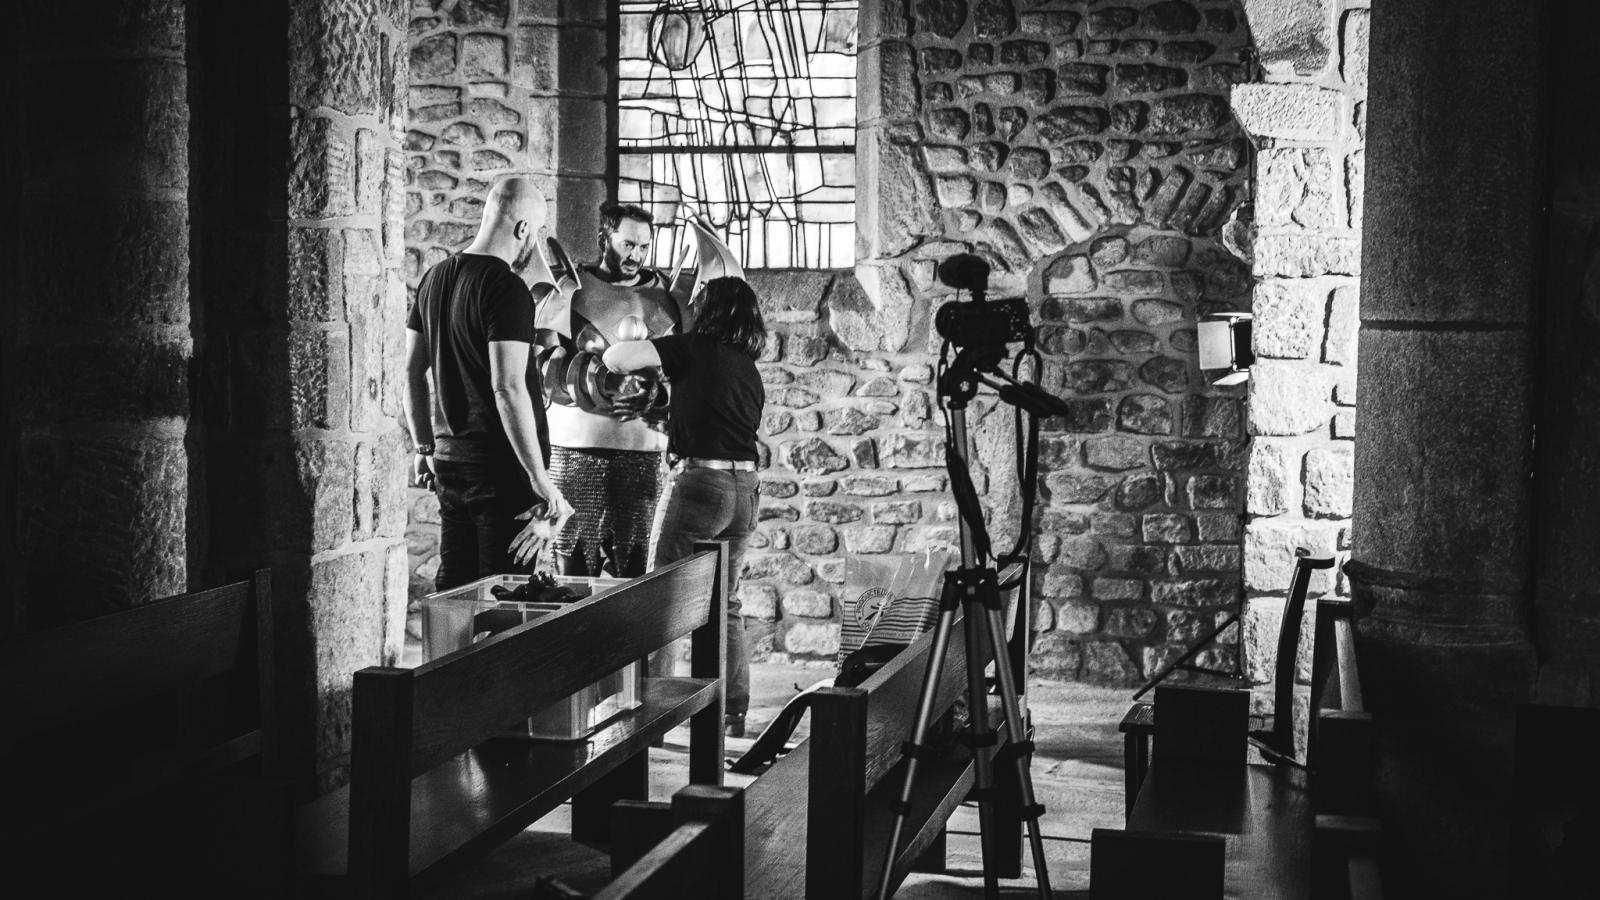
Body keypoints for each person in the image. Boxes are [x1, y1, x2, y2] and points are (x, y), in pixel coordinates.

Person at [603, 276, 766, 737]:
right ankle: (733, 713)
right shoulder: (748, 368)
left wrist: (644, 343)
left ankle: (650, 714)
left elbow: (617, 359)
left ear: (710, 311)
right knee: (726, 602)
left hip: (701, 485)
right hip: (745, 488)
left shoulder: (693, 348)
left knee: (663, 595)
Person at [404, 175, 573, 590]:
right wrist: (538, 476)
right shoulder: (506, 288)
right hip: (500, 470)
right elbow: (507, 388)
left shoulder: (433, 278)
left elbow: (410, 371)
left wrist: (423, 446)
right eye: (536, 232)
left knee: (455, 589)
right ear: (523, 228)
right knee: (503, 596)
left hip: (451, 462)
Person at [540, 202, 680, 577]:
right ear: (604, 239)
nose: (636, 255)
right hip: (577, 445)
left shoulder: (669, 296)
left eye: (644, 247)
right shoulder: (567, 290)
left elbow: (689, 372)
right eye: (627, 244)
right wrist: (602, 382)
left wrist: (658, 395)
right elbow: (544, 367)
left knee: (635, 576)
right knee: (573, 575)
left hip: (643, 448)